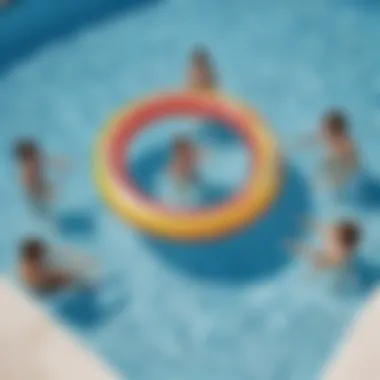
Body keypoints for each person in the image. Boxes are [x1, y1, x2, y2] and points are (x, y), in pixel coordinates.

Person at [14, 139, 68, 213]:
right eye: (34, 155)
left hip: (40, 190)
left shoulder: (38, 160)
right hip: (36, 199)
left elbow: (54, 161)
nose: (37, 157)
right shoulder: (26, 172)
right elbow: (30, 190)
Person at [290, 220, 361, 269]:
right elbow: (318, 227)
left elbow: (319, 261)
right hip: (330, 255)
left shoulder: (339, 257)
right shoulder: (332, 231)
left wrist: (298, 249)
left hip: (329, 263)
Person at [320, 111, 358, 189]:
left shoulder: (346, 147)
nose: (323, 132)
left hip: (342, 181)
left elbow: (352, 171)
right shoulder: (328, 139)